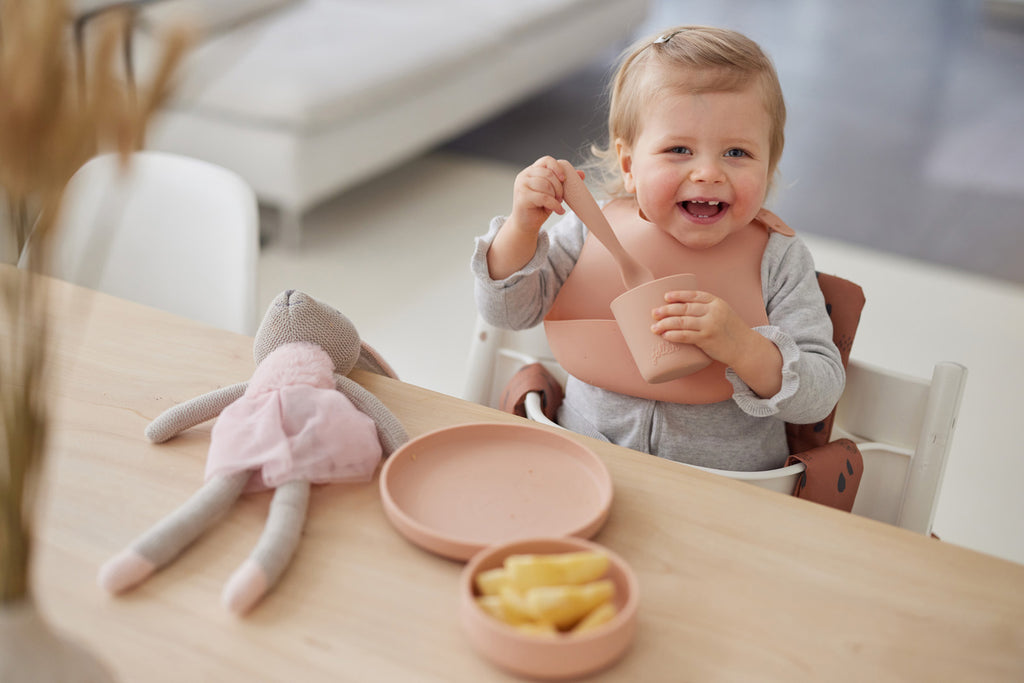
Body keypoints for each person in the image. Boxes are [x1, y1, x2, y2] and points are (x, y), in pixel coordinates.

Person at [471, 25, 844, 472]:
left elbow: (819, 396)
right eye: (680, 149)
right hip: (586, 463)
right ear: (630, 165)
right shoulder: (591, 231)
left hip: (724, 488)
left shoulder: (778, 258)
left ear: (769, 164)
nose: (708, 173)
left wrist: (743, 347)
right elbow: (507, 314)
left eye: (737, 153)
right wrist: (522, 229)